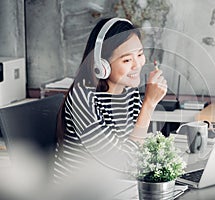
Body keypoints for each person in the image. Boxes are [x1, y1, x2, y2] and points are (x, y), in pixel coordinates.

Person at [52, 17, 167, 183]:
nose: (138, 65)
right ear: (102, 65)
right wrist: (149, 104)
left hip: (115, 186)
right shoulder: (83, 98)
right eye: (127, 60)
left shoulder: (129, 91)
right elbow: (120, 163)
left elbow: (137, 149)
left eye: (140, 54)